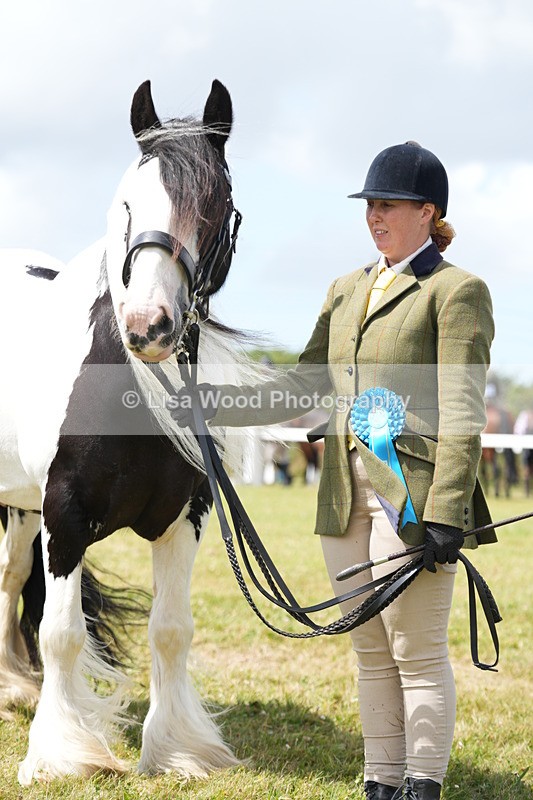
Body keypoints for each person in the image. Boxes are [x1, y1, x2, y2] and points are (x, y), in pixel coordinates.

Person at [173, 141, 496, 799]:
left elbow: (461, 410)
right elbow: (303, 384)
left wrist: (443, 513)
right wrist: (213, 401)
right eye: (370, 206)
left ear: (427, 212)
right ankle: (380, 780)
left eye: (388, 206)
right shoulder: (345, 289)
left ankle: (422, 782)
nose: (374, 217)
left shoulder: (455, 290)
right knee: (371, 652)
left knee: (416, 653)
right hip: (341, 492)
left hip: (411, 494)